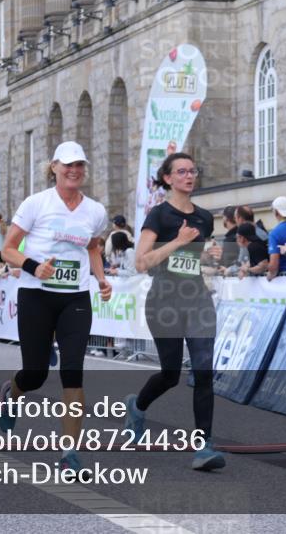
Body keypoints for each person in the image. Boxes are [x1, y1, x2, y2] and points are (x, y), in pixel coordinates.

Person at [0, 141, 112, 476]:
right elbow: (8, 249)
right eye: (68, 165)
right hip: (36, 295)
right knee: (35, 374)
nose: (74, 171)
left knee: (73, 371)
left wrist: (101, 279)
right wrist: (34, 267)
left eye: (79, 165)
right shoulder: (36, 203)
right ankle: (12, 393)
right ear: (54, 167)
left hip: (75, 298)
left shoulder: (95, 210)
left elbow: (92, 247)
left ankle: (69, 453)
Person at [123, 152, 226, 471]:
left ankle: (203, 446)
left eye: (192, 171)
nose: (189, 176)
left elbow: (191, 261)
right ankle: (137, 406)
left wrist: (208, 256)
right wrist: (178, 242)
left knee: (203, 371)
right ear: (167, 178)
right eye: (181, 171)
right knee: (170, 375)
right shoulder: (158, 215)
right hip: (164, 301)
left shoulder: (204, 217)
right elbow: (142, 262)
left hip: (196, 299)